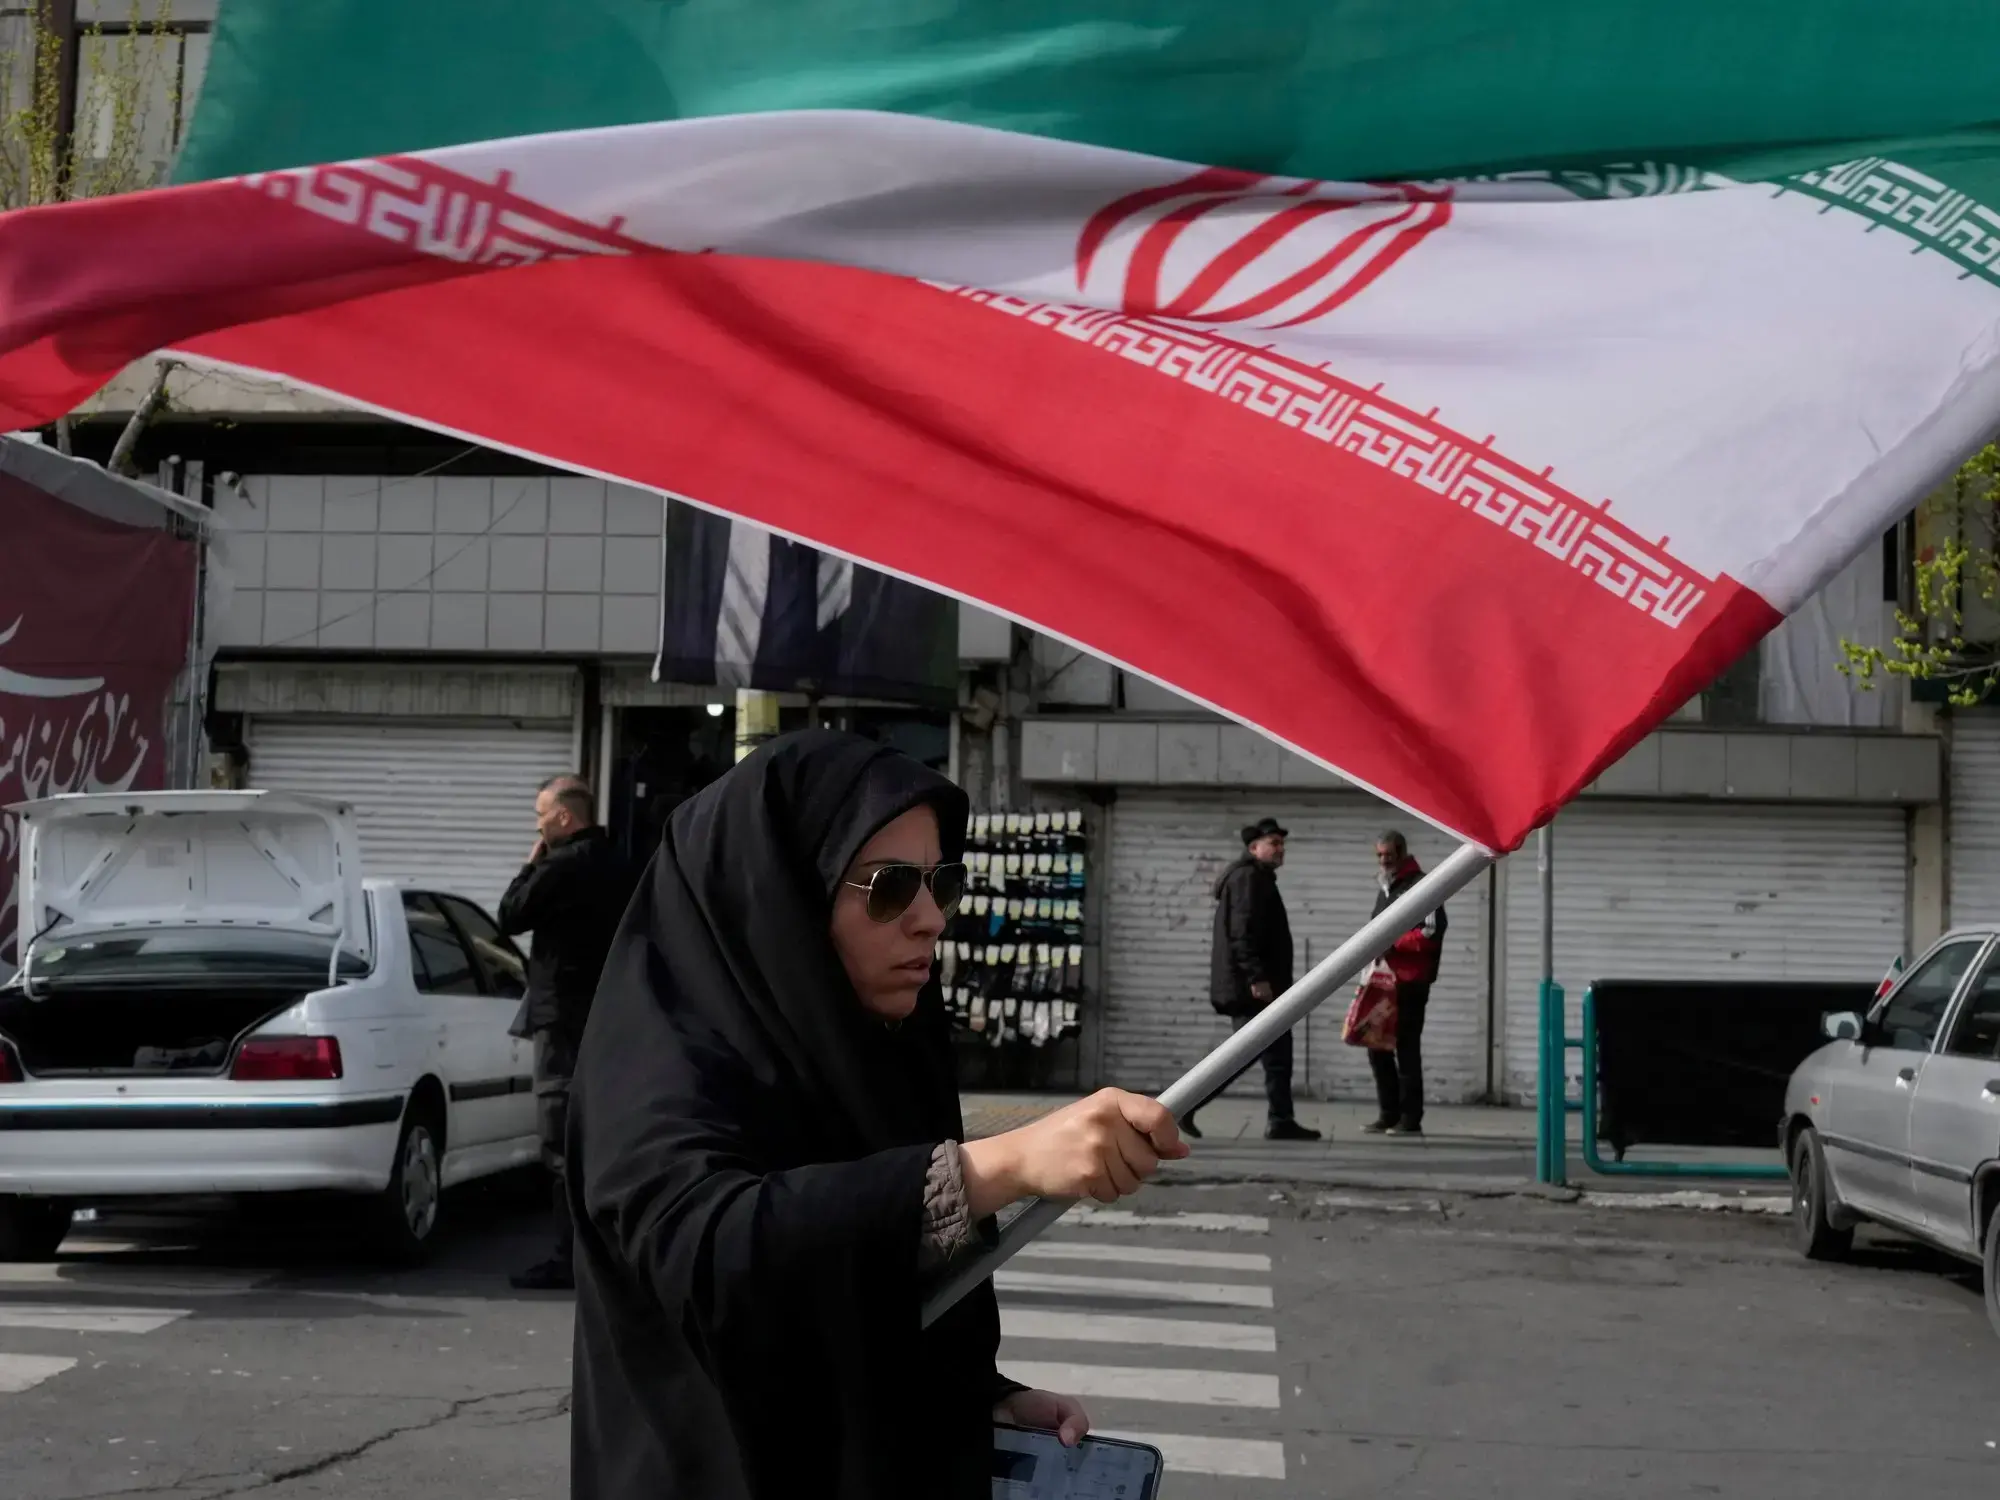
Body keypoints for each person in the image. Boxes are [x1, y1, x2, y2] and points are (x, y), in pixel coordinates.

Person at [566, 729, 1188, 1500]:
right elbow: (711, 1256)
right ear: (781, 899)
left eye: (942, 883)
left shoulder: (877, 1048)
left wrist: (979, 1397)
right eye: (890, 887)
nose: (929, 918)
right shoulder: (658, 1059)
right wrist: (995, 1167)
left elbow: (867, 1290)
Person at [496, 773, 636, 1292]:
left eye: (541, 815)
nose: (537, 826)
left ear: (563, 816)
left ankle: (569, 1257)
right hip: (611, 1019)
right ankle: (610, 1253)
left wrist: (530, 864)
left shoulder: (560, 867)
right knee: (604, 1140)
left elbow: (510, 915)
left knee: (559, 1143)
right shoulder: (621, 865)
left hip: (562, 1023)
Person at [1180, 817, 1321, 1142]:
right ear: (1254, 847)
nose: (1280, 849)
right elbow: (1241, 934)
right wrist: (1257, 977)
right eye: (1274, 843)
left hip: (1263, 985)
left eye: (1282, 843)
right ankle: (1186, 1102)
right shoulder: (1247, 879)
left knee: (1277, 1053)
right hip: (1253, 987)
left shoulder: (1258, 877)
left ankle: (1281, 1119)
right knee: (1243, 1054)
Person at [1364, 830, 1448, 1137]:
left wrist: (1393, 942)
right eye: (1379, 855)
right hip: (1382, 979)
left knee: (1406, 1047)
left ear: (1402, 853)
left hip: (1411, 983)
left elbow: (1432, 931)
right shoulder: (1386, 887)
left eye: (1388, 854)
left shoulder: (1422, 885)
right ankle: (1388, 1114)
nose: (1383, 860)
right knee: (1376, 1045)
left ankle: (1410, 1118)